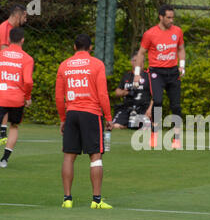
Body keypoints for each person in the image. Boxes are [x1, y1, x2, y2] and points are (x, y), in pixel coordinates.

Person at [55, 34, 113, 210]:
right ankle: (96, 200)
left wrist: (63, 118)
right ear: (90, 48)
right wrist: (108, 117)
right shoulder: (97, 64)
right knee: (95, 157)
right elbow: (102, 94)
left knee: (68, 157)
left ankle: (67, 199)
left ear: (74, 47)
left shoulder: (64, 65)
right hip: (91, 113)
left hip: (72, 113)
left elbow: (59, 96)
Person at [133, 4, 186, 148]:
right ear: (160, 17)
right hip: (156, 72)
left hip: (173, 72)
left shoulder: (177, 31)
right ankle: (154, 134)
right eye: (168, 18)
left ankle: (176, 138)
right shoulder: (150, 34)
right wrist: (137, 74)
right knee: (157, 101)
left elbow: (181, 49)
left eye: (172, 17)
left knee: (176, 106)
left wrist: (182, 65)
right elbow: (141, 53)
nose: (171, 20)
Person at [0, 27, 34, 168]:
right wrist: (27, 96)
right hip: (17, 99)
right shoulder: (27, 59)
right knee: (14, 127)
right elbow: (28, 81)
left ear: (9, 40)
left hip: (1, 97)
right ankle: (4, 160)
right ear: (22, 40)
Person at [0, 4, 28, 146]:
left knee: (3, 101)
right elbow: (5, 55)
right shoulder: (5, 29)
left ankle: (0, 133)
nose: (25, 20)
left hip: (4, 72)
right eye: (24, 16)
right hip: (0, 72)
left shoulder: (11, 29)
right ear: (17, 15)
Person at [113, 51, 153, 130]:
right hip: (127, 107)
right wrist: (125, 92)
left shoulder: (149, 76)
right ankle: (127, 124)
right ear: (131, 62)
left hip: (143, 108)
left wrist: (150, 109)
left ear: (143, 63)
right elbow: (117, 92)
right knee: (115, 126)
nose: (138, 63)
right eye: (135, 60)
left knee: (145, 128)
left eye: (140, 61)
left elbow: (156, 95)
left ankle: (132, 124)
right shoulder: (127, 76)